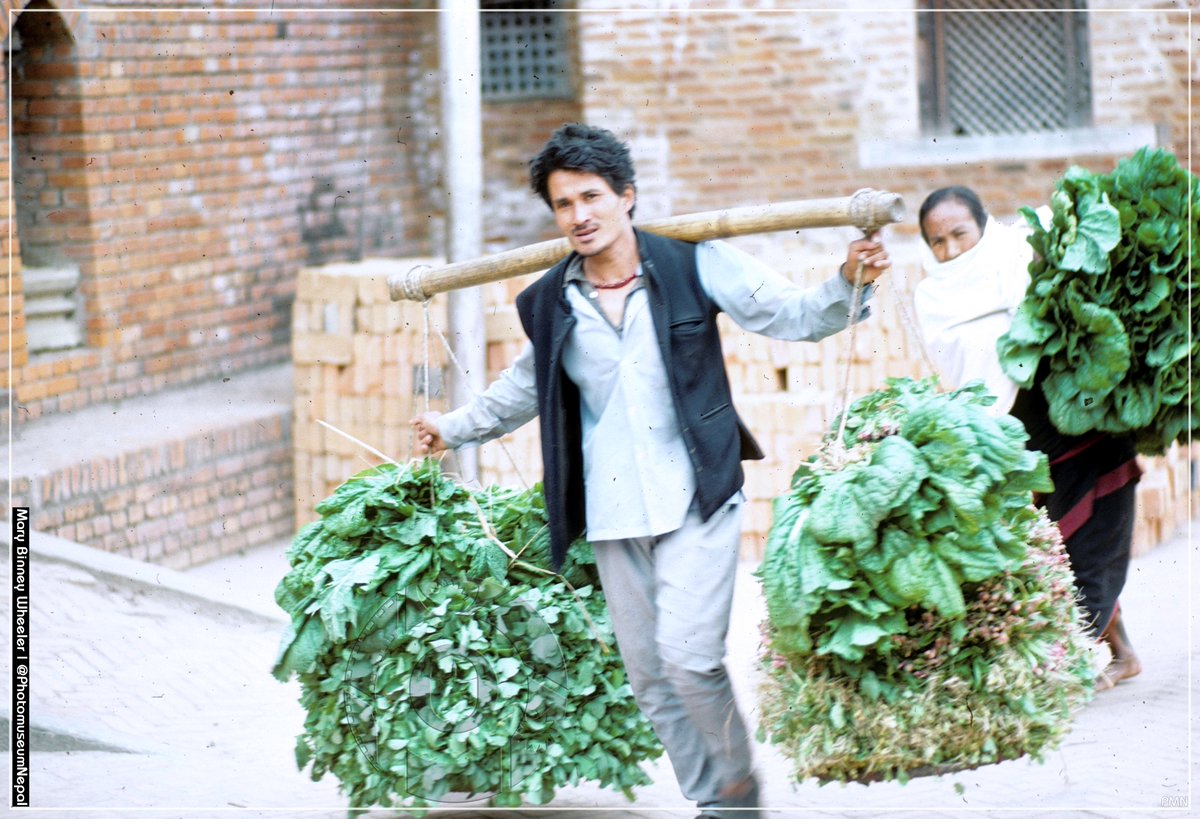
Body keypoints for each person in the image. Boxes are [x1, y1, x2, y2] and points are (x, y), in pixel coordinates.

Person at [411, 122, 890, 817]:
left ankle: (735, 787)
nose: (579, 215)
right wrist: (451, 428)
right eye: (563, 204)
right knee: (650, 675)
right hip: (610, 508)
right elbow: (521, 388)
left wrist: (847, 280)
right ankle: (714, 798)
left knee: (689, 656)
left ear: (626, 196)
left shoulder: (692, 263)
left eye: (592, 196)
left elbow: (787, 314)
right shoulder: (550, 301)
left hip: (697, 493)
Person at [914, 185, 1142, 692]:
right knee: (1059, 552)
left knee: (1091, 546)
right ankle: (1118, 652)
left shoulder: (1018, 258)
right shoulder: (932, 297)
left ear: (983, 226)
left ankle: (1080, 662)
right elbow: (966, 372)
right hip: (1022, 447)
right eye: (937, 242)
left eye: (959, 235)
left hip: (1082, 432)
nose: (950, 251)